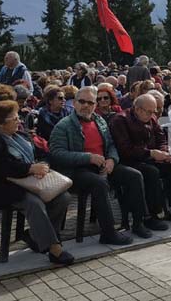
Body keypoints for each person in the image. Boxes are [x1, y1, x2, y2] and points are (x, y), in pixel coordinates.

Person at [49, 87, 156, 245]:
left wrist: (112, 159)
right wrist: (87, 157)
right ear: (75, 103)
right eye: (82, 102)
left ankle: (139, 222)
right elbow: (57, 154)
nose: (86, 105)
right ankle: (108, 233)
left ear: (95, 104)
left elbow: (111, 144)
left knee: (134, 175)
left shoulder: (99, 121)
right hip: (77, 170)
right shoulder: (63, 125)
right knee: (99, 183)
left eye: (90, 102)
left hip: (102, 165)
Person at [0, 100, 74, 265]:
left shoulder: (22, 135)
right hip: (3, 187)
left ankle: (34, 236)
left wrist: (44, 166)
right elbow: (0, 168)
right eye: (14, 118)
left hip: (32, 181)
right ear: (0, 123)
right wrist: (30, 168)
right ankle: (54, 249)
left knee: (63, 197)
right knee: (34, 203)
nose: (19, 120)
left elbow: (42, 153)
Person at [110, 94, 171, 225]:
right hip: (130, 160)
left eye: (155, 111)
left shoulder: (151, 118)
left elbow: (161, 138)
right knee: (151, 172)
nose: (153, 114)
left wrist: (165, 151)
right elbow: (125, 149)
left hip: (151, 156)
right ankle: (151, 215)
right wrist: (151, 153)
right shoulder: (120, 120)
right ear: (137, 109)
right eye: (149, 111)